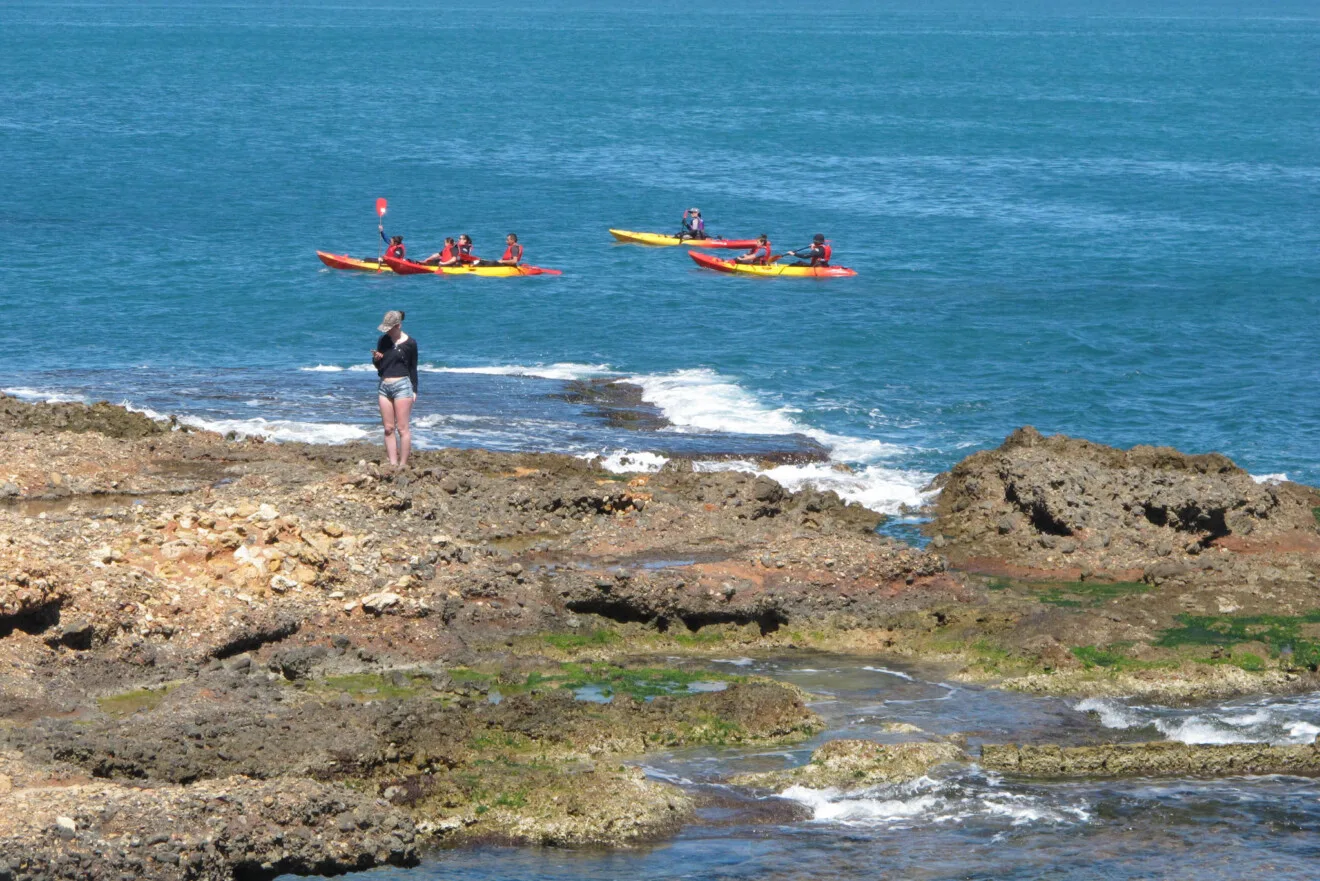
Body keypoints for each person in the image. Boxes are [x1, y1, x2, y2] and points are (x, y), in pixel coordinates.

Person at [371, 310, 418, 469]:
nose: (387, 331)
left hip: (402, 386)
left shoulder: (410, 343)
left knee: (402, 428)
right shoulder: (383, 340)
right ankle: (392, 464)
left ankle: (403, 465)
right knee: (388, 428)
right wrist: (376, 360)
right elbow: (380, 367)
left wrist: (414, 390)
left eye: (390, 328)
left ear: (398, 325)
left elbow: (413, 368)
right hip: (384, 386)